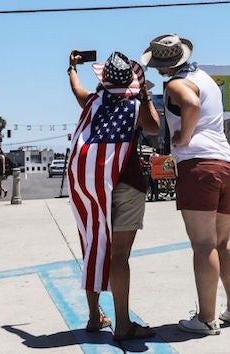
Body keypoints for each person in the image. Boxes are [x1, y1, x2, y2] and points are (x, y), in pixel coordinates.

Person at [141, 33, 230, 335]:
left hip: (199, 166)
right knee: (224, 241)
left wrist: (183, 137)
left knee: (203, 244)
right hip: (227, 164)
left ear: (162, 63)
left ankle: (207, 318)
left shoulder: (175, 83)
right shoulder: (205, 77)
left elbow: (191, 104)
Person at [67, 50, 160, 340]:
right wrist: (143, 94)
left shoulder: (92, 103)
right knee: (119, 256)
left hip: (94, 186)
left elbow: (77, 88)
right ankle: (122, 324)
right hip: (128, 185)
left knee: (93, 247)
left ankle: (95, 316)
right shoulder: (135, 106)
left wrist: (71, 68)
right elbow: (155, 128)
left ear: (105, 81)